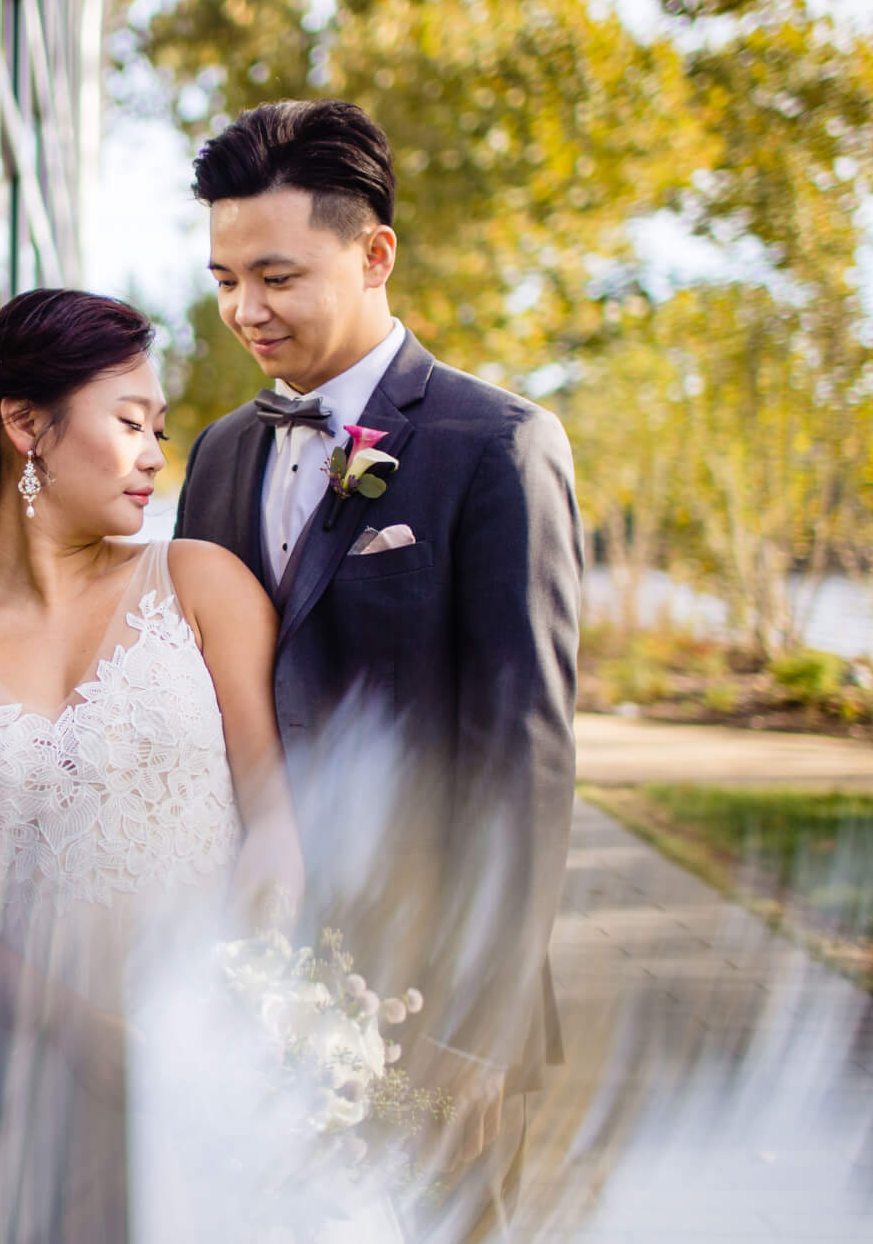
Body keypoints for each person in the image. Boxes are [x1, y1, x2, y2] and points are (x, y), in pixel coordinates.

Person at [173, 99, 582, 1225]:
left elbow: (523, 767)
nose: (243, 312)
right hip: (249, 982)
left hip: (428, 996)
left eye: (275, 277)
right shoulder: (217, 455)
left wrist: (475, 1035)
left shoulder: (497, 446)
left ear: (373, 252)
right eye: (222, 281)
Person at [0, 288, 304, 1242]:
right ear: (26, 423)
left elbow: (279, 817)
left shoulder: (201, 582)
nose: (157, 454)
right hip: (37, 1072)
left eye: (158, 428)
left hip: (217, 1056)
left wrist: (240, 1004)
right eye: (131, 423)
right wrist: (90, 1038)